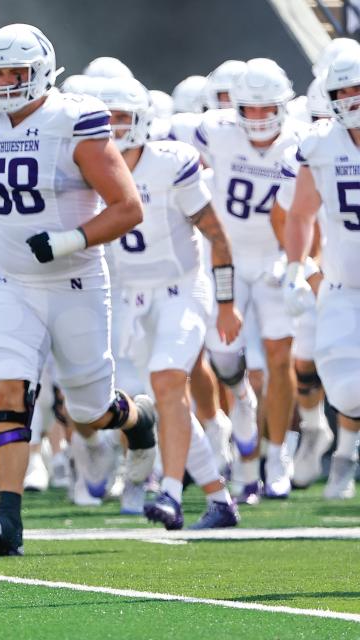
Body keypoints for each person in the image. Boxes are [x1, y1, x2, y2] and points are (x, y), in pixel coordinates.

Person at [0, 23, 158, 557]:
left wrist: (69, 240)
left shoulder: (73, 121)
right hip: (14, 284)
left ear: (41, 71)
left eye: (16, 72)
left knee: (89, 410)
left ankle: (137, 420)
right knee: (8, 393)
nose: (6, 82)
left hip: (76, 282)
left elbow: (128, 208)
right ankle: (10, 522)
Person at [93, 76, 242, 529]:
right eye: (109, 119)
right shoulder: (91, 167)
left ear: (141, 121)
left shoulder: (170, 163)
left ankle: (171, 492)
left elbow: (217, 236)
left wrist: (225, 303)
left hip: (183, 288)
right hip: (134, 299)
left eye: (123, 118)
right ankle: (219, 499)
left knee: (166, 378)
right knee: (165, 393)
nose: (116, 127)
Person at [195, 58, 305, 501]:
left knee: (280, 356)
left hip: (275, 258)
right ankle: (241, 400)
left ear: (284, 105)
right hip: (227, 259)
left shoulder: (301, 141)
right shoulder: (214, 130)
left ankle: (275, 456)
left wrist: (299, 260)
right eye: (249, 109)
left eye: (267, 109)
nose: (258, 118)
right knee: (222, 356)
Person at [284, 49, 360, 500]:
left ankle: (345, 461)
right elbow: (300, 214)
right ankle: (344, 453)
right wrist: (297, 268)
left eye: (358, 89)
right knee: (347, 392)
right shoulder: (320, 143)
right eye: (342, 91)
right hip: (342, 286)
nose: (350, 98)